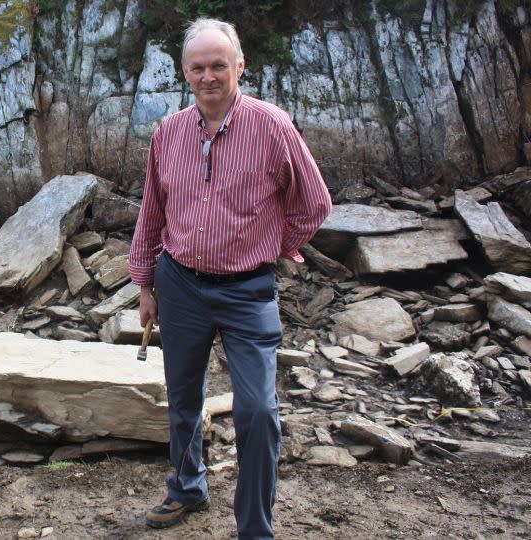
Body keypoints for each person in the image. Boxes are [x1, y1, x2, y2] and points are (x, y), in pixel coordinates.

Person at [127, 17, 333, 539]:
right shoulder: (168, 133)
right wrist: (146, 286)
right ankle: (187, 488)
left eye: (219, 65)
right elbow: (153, 213)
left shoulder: (273, 127)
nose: (209, 76)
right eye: (198, 67)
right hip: (180, 285)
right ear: (185, 73)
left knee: (259, 412)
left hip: (248, 291)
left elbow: (314, 203)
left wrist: (276, 248)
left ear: (240, 67)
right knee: (183, 400)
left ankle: (254, 530)